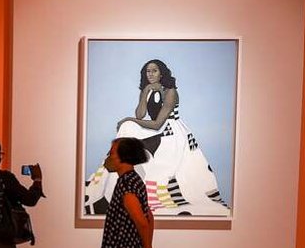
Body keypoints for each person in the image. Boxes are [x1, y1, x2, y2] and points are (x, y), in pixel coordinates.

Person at [83, 59, 229, 216]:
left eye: (154, 71)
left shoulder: (170, 92)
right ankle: (111, 178)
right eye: (148, 71)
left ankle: (140, 183)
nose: (150, 74)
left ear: (162, 73)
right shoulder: (148, 90)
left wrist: (129, 119)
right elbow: (140, 115)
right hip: (155, 130)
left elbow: (158, 124)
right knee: (127, 128)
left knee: (128, 124)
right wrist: (145, 92)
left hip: (170, 132)